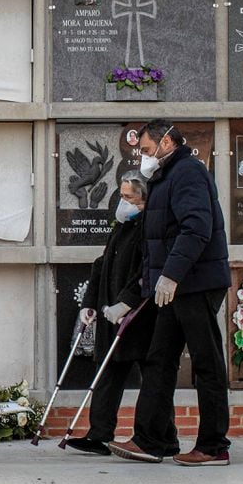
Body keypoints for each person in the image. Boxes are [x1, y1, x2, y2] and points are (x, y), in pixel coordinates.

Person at [109, 120, 233, 467]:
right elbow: (158, 242)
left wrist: (172, 276)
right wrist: (141, 292)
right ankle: (153, 439)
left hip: (195, 283)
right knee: (159, 360)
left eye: (147, 150)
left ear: (166, 142)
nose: (144, 157)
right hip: (173, 286)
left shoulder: (188, 172)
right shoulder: (164, 177)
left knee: (206, 363)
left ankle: (213, 445)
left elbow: (196, 227)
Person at [66, 172, 162, 454]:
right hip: (110, 312)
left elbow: (148, 269)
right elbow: (102, 264)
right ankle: (99, 434)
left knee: (154, 376)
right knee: (107, 372)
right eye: (121, 196)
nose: (122, 202)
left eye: (128, 197)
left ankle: (161, 434)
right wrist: (90, 302)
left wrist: (127, 302)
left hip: (139, 315)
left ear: (143, 198)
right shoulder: (122, 225)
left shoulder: (149, 227)